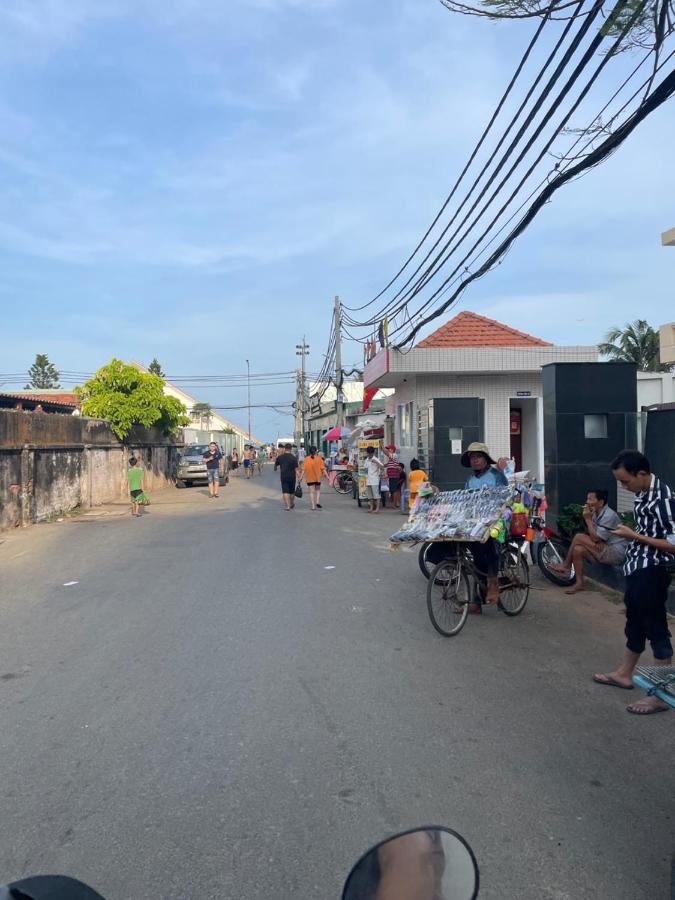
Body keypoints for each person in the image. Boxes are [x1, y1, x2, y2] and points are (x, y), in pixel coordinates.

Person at [593, 449, 675, 715]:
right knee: (635, 621)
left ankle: (662, 693)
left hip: (652, 570)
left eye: (626, 481)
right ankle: (625, 673)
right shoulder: (643, 493)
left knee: (656, 627)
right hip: (636, 567)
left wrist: (635, 536)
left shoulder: (664, 500)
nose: (623, 486)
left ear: (642, 474)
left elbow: (672, 545)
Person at [461, 442, 509, 613]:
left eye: (478, 457)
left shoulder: (497, 475)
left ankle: (494, 583)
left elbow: (505, 498)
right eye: (472, 458)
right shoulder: (470, 480)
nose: (475, 460)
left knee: (489, 544)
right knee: (473, 556)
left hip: (497, 521)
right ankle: (475, 601)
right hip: (476, 523)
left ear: (486, 459)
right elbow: (465, 500)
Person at [550, 489, 628, 594]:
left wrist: (587, 519)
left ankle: (566, 565)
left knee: (578, 537)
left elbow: (595, 537)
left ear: (600, 502)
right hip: (604, 547)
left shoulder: (609, 515)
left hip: (615, 553)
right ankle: (579, 583)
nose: (587, 502)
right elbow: (594, 535)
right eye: (587, 498)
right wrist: (598, 539)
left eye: (590, 499)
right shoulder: (596, 512)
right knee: (578, 550)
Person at [274, 442, 299, 511]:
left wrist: (275, 467)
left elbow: (275, 467)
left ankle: (288, 506)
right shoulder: (294, 458)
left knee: (285, 491)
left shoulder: (280, 457)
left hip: (284, 476)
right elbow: (296, 469)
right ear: (291, 449)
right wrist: (299, 477)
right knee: (292, 491)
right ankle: (291, 503)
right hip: (292, 477)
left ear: (285, 449)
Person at [300, 446, 327, 510]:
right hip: (318, 478)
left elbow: (303, 470)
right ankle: (317, 502)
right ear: (316, 451)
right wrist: (328, 476)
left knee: (311, 492)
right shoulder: (319, 459)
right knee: (317, 490)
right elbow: (323, 469)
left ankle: (313, 506)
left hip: (309, 478)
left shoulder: (306, 459)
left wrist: (301, 477)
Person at [365, 446, 385, 513]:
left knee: (376, 495)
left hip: (375, 480)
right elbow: (365, 468)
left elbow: (382, 467)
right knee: (370, 495)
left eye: (370, 453)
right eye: (368, 453)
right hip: (368, 480)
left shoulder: (376, 459)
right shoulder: (367, 460)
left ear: (373, 453)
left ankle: (377, 508)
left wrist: (376, 462)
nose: (369, 455)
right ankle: (371, 507)